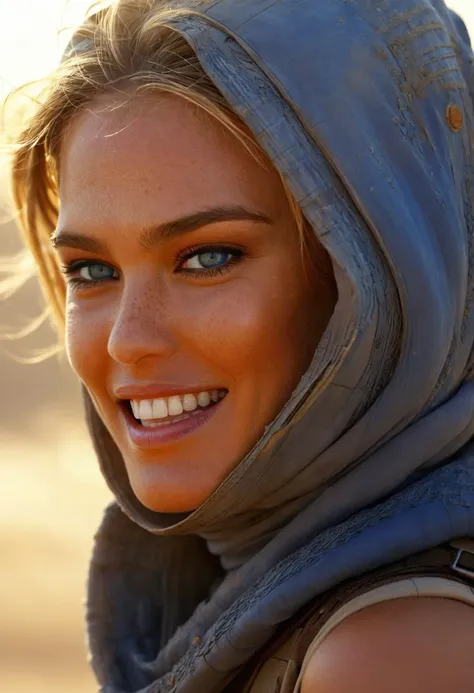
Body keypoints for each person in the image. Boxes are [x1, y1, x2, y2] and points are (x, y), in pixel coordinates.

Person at [9, 0, 474, 690]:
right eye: (92, 270)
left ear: (386, 277)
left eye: (207, 258)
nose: (128, 340)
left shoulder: (386, 656)